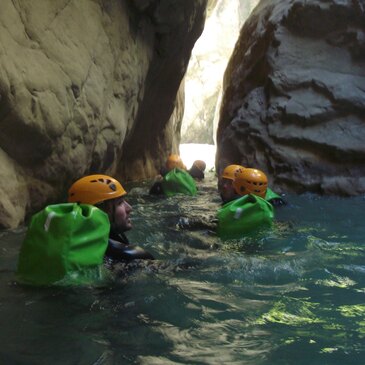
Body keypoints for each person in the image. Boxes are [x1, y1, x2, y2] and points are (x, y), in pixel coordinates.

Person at [68, 174, 154, 265]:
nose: (129, 208)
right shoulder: (132, 257)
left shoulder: (73, 246)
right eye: (120, 203)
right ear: (99, 212)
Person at [218, 164, 286, 206]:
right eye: (224, 181)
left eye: (230, 183)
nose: (224, 186)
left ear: (241, 186)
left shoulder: (273, 203)